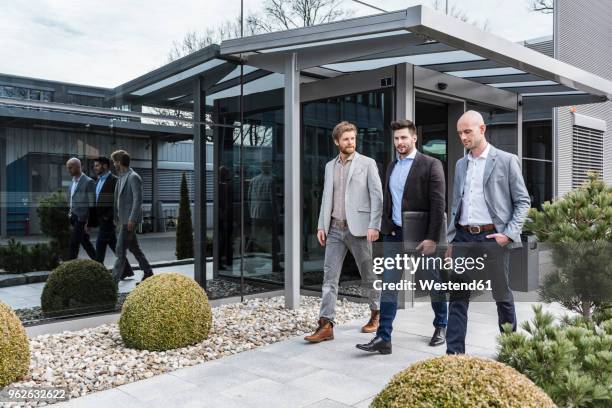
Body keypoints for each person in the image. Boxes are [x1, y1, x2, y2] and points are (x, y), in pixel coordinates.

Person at [356, 119, 447, 355]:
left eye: (404, 137)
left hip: (421, 237)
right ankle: (383, 338)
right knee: (389, 285)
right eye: (396, 138)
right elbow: (388, 200)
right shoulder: (391, 166)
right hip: (394, 234)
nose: (399, 142)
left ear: (414, 138)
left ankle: (441, 326)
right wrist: (381, 226)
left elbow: (438, 206)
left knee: (431, 282)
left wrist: (432, 238)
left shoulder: (431, 164)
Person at [445, 110, 530, 355]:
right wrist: (451, 241)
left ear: (482, 129)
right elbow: (456, 205)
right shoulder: (461, 164)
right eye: (460, 133)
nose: (463, 137)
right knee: (458, 297)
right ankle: (454, 355)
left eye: (467, 131)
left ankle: (511, 350)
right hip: (462, 237)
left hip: (492, 238)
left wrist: (508, 234)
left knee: (501, 294)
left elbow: (523, 201)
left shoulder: (505, 160)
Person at [304, 121, 383, 343]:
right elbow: (326, 198)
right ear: (337, 141)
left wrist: (374, 225)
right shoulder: (330, 166)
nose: (351, 143)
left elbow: (377, 196)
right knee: (329, 277)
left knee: (368, 274)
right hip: (335, 229)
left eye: (353, 138)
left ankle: (376, 313)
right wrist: (322, 225)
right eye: (346, 139)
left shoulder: (367, 163)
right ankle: (326, 324)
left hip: (359, 229)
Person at [110, 150, 153, 284]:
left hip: (128, 221)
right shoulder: (121, 178)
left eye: (114, 161)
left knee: (120, 251)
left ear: (119, 162)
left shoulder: (133, 177)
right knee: (134, 248)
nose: (113, 164)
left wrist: (132, 219)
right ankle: (148, 272)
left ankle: (112, 283)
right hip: (122, 220)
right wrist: (115, 217)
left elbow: (137, 200)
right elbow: (117, 200)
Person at [91, 156, 134, 279]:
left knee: (100, 247)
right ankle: (127, 270)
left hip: (108, 220)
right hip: (100, 219)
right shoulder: (97, 181)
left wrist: (108, 217)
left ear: (105, 166)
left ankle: (97, 275)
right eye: (94, 166)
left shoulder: (115, 181)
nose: (95, 168)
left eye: (97, 165)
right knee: (114, 245)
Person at [65, 157, 97, 260]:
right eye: (68, 168)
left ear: (79, 167)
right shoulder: (72, 182)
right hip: (73, 216)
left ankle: (70, 267)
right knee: (85, 242)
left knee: (74, 243)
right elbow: (71, 199)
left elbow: (92, 203)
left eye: (71, 167)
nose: (69, 170)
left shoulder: (89, 182)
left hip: (82, 218)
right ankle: (99, 263)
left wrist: (90, 222)